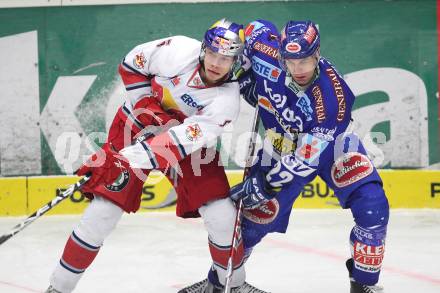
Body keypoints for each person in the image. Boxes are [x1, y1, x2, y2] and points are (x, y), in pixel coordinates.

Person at [45, 19, 265, 293]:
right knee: (103, 213)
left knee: (222, 216)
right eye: (212, 53)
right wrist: (145, 109)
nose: (216, 63)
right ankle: (58, 288)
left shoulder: (225, 102)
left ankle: (231, 285)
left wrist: (123, 161)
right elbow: (131, 64)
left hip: (185, 145)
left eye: (225, 58)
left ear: (235, 62)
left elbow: (176, 143)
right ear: (203, 49)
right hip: (135, 124)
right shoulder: (177, 50)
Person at [184, 19, 389, 293]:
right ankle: (219, 283)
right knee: (251, 225)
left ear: (317, 54)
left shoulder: (332, 97)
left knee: (373, 207)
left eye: (305, 61)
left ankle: (364, 285)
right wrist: (245, 74)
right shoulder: (262, 43)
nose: (297, 69)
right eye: (290, 61)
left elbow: (306, 159)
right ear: (279, 52)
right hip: (280, 144)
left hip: (334, 148)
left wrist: (265, 183)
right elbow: (242, 31)